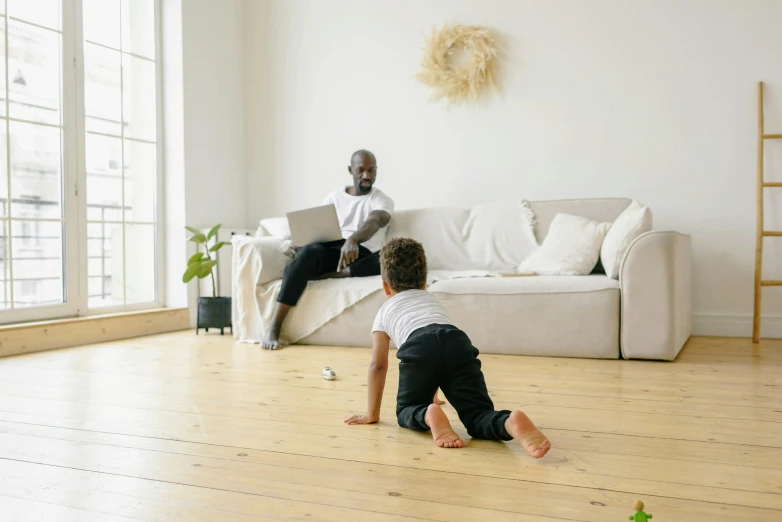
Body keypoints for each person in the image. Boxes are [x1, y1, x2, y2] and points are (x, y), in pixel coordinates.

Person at [344, 238, 551, 457]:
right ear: (425, 282)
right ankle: (509, 422)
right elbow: (438, 342)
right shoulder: (431, 300)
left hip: (417, 348)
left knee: (407, 411)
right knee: (477, 415)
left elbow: (378, 365)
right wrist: (432, 393)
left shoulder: (385, 311)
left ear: (386, 286)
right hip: (457, 342)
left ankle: (428, 414)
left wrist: (372, 414)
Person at [261, 150, 394, 350]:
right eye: (361, 170)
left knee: (389, 259)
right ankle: (274, 327)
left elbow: (376, 220)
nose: (366, 175)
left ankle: (332, 274)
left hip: (365, 253)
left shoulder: (381, 199)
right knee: (307, 253)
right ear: (351, 170)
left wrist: (354, 239)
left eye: (371, 170)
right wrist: (305, 242)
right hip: (334, 250)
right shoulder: (334, 197)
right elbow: (318, 225)